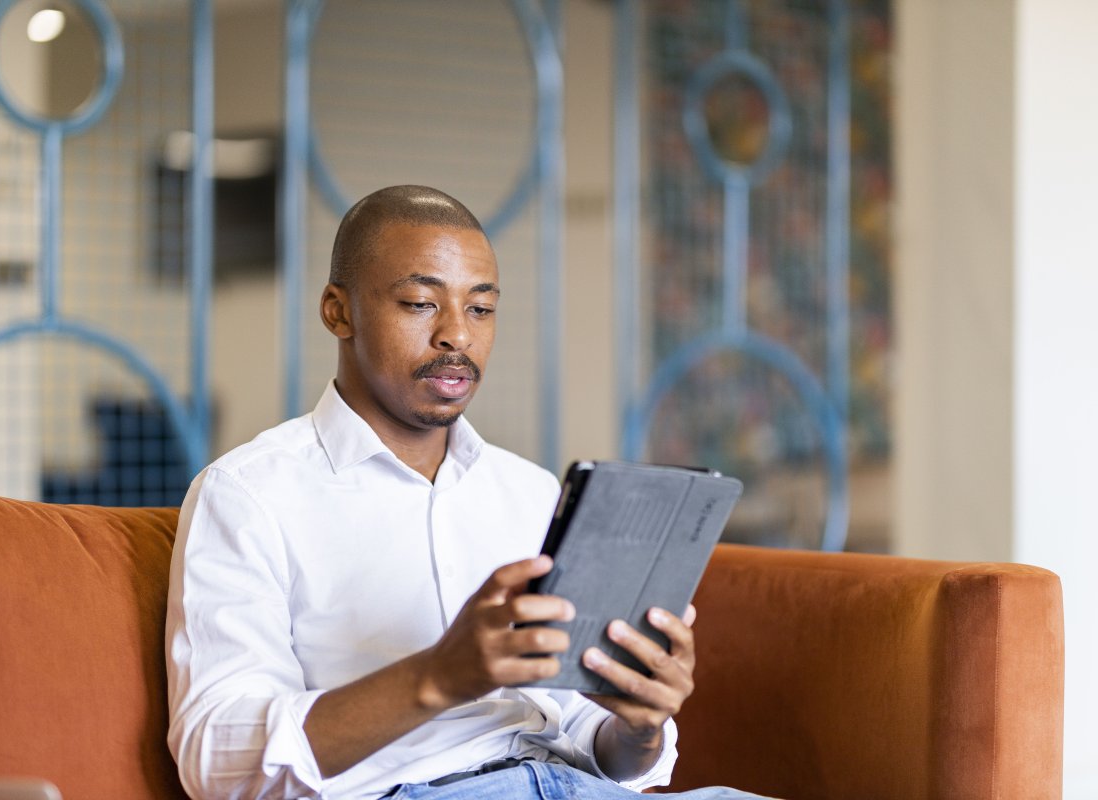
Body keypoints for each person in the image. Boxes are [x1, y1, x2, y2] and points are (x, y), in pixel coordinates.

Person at [165, 186, 769, 800]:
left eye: (481, 309)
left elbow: (592, 738)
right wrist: (438, 676)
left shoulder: (531, 492)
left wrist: (639, 725)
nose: (457, 334)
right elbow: (217, 763)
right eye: (420, 303)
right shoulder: (248, 494)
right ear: (338, 312)